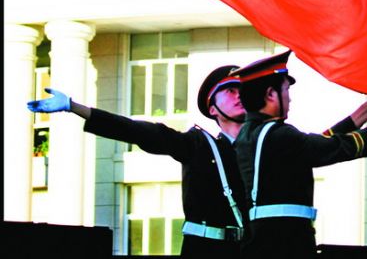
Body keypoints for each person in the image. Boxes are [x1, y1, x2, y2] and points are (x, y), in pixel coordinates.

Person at [27, 65, 248, 259]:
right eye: (230, 91)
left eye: (243, 91)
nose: (239, 96)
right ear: (212, 108)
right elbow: (137, 130)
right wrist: (74, 107)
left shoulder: (261, 147)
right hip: (206, 250)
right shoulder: (198, 145)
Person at [232, 49, 367, 259]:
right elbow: (328, 148)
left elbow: (319, 142)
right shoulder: (278, 135)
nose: (290, 99)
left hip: (267, 238)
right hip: (284, 242)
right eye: (286, 90)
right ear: (271, 94)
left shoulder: (252, 134)